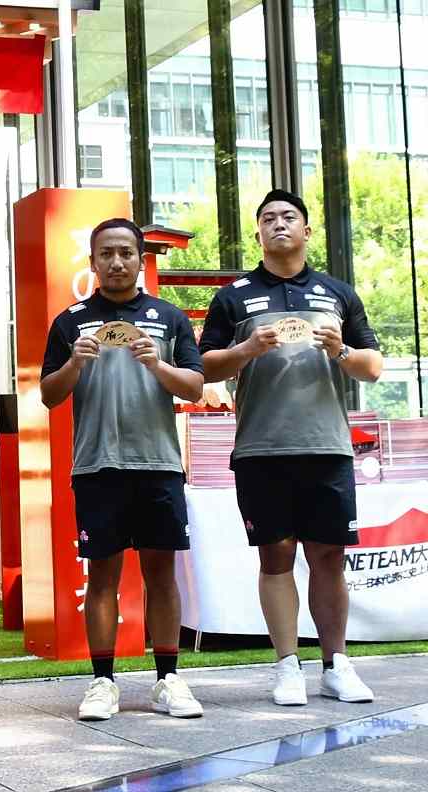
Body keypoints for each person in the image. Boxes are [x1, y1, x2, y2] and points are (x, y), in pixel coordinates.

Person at [199, 189, 383, 706]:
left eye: (289, 217)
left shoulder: (337, 293)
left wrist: (340, 349)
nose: (279, 224)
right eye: (268, 219)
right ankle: (286, 666)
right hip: (261, 448)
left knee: (329, 557)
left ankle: (336, 664)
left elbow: (372, 365)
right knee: (275, 556)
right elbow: (204, 366)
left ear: (306, 231)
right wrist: (245, 348)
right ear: (257, 233)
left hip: (327, 447)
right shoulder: (234, 296)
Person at [40, 218, 205, 722]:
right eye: (106, 254)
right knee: (103, 577)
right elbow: (49, 395)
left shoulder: (168, 318)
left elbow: (194, 388)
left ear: (140, 260)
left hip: (157, 463)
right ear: (92, 263)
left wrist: (158, 364)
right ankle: (103, 681)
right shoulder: (71, 321)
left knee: (161, 574)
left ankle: (168, 679)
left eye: (126, 253)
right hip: (96, 466)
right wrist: (74, 364)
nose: (116, 262)